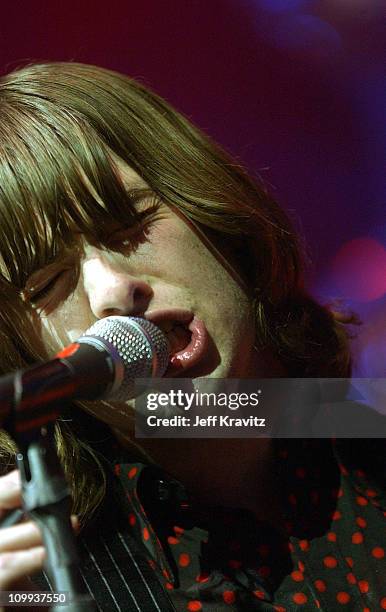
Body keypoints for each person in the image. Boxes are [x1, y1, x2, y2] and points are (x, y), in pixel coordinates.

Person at [0, 62, 384, 611]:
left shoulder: (367, 446)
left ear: (210, 204)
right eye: (48, 284)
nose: (111, 293)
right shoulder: (36, 580)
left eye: (127, 226)